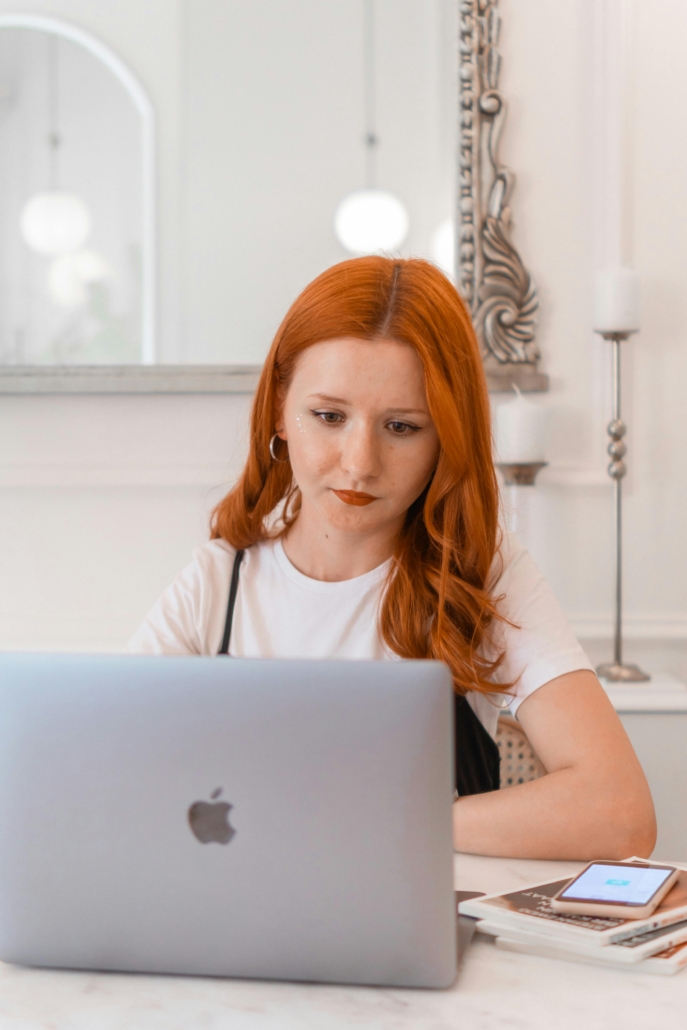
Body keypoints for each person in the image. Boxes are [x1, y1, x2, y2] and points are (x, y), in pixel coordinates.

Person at [130, 256, 656, 860]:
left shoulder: (483, 574)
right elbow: (114, 775)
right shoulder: (217, 583)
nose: (359, 462)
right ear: (279, 410)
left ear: (446, 440)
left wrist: (368, 823)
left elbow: (619, 812)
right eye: (328, 417)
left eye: (402, 427)